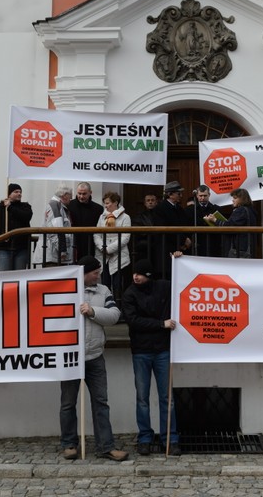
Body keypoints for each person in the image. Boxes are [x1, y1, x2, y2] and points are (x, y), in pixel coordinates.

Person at [59, 256, 128, 462]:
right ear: (84, 273)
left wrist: (92, 312)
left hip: (95, 356)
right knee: (68, 403)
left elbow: (114, 315)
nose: (98, 275)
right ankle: (69, 444)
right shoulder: (66, 290)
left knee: (100, 402)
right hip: (71, 356)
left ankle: (105, 446)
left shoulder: (103, 291)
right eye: (95, 272)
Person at [121, 259, 181, 456]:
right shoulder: (130, 294)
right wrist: (160, 324)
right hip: (141, 351)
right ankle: (145, 437)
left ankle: (171, 439)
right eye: (134, 274)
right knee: (142, 398)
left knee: (167, 398)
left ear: (148, 274)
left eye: (139, 274)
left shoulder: (163, 287)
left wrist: (181, 257)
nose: (135, 277)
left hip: (163, 350)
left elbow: (183, 281)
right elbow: (134, 321)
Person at [0, 183, 33, 271]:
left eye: (20, 192)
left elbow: (26, 217)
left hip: (21, 248)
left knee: (19, 275)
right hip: (4, 248)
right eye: (16, 192)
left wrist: (10, 207)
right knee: (4, 275)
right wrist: (1, 236)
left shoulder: (25, 207)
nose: (19, 194)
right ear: (9, 194)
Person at [95, 191, 132, 302]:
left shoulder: (125, 217)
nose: (106, 206)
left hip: (119, 256)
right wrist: (103, 247)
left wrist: (110, 248)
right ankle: (107, 305)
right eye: (105, 203)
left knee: (118, 285)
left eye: (108, 203)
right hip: (104, 256)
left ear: (115, 202)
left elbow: (125, 237)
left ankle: (119, 309)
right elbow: (96, 233)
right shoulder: (102, 217)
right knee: (105, 283)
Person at [151, 181, 191, 279]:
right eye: (178, 193)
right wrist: (183, 239)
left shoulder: (180, 209)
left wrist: (186, 240)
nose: (181, 195)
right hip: (166, 249)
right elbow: (164, 228)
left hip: (180, 248)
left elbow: (185, 225)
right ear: (170, 194)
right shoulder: (160, 209)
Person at [204, 188, 257, 258]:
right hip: (246, 247)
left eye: (235, 198)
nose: (233, 200)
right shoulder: (249, 209)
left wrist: (215, 220)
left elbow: (230, 226)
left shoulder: (241, 210)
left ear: (242, 199)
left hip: (239, 249)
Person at [34, 185, 74, 266]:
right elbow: (55, 230)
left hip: (54, 255)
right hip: (54, 256)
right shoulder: (55, 206)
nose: (70, 200)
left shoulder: (57, 206)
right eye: (70, 197)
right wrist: (62, 250)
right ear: (65, 195)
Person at [67, 182, 104, 262]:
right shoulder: (69, 205)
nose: (81, 196)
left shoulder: (98, 209)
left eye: (84, 194)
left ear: (90, 193)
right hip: (74, 245)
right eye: (79, 193)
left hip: (90, 245)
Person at [185, 185, 221, 257]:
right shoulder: (190, 209)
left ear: (209, 195)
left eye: (205, 195)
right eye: (200, 196)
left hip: (212, 243)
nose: (202, 198)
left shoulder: (216, 209)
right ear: (197, 196)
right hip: (196, 242)